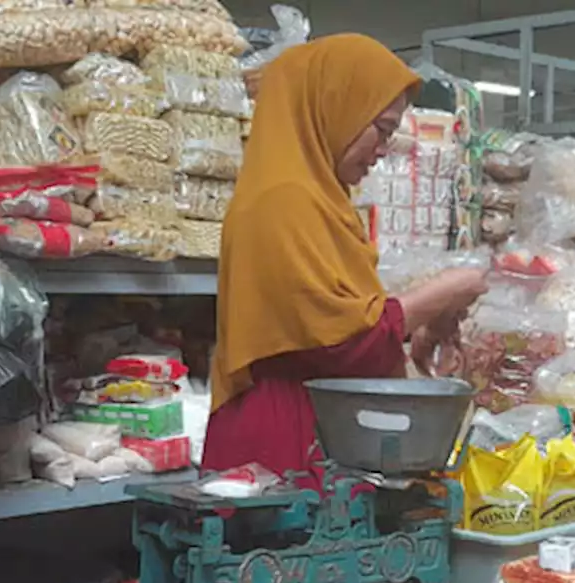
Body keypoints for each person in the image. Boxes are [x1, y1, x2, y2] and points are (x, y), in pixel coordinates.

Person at [202, 34, 487, 483]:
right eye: (382, 129)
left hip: (321, 424)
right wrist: (444, 291)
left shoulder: (320, 200)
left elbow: (338, 314)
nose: (383, 150)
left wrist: (424, 326)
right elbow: (338, 342)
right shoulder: (282, 201)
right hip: (282, 448)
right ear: (334, 109)